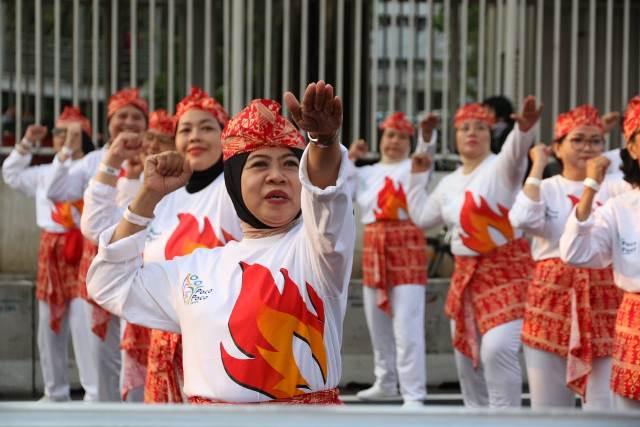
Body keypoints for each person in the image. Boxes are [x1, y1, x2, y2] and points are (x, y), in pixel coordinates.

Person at [87, 81, 353, 404]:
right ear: (234, 180)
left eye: (289, 164)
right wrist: (148, 195)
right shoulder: (194, 270)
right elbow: (108, 284)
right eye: (259, 164)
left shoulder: (316, 253)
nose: (277, 175)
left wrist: (323, 144)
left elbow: (326, 201)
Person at [408, 97, 542, 408]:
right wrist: (425, 146)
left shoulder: (500, 167)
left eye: (480, 127)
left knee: (496, 350)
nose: (472, 133)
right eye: (465, 127)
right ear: (454, 136)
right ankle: (476, 418)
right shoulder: (449, 183)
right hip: (465, 276)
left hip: (507, 271)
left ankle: (505, 420)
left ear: (490, 132)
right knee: (467, 358)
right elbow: (419, 217)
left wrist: (524, 130)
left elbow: (516, 153)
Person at [509, 105, 622, 409]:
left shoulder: (614, 186)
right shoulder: (545, 187)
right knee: (548, 406)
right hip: (550, 296)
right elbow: (522, 219)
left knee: (602, 404)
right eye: (578, 140)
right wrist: (537, 164)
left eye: (596, 141)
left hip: (603, 295)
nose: (587, 147)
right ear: (557, 147)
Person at [46, 88, 149, 401]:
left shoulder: (155, 158)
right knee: (101, 357)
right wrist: (67, 150)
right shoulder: (94, 160)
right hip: (99, 269)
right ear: (110, 123)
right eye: (122, 116)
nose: (129, 122)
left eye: (136, 117)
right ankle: (102, 413)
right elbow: (54, 189)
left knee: (139, 354)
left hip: (145, 270)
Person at [2, 107, 98, 402]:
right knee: (49, 322)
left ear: (85, 136)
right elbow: (11, 174)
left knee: (86, 322)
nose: (64, 138)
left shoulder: (93, 165)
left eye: (72, 132)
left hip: (83, 247)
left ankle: (94, 391)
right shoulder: (45, 172)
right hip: (51, 249)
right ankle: (54, 391)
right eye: (59, 132)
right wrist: (27, 143)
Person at [80, 109, 175, 401]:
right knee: (129, 392)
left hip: (179, 314)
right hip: (137, 307)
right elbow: (96, 227)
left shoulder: (187, 194)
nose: (153, 146)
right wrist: (113, 162)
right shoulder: (142, 189)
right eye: (149, 139)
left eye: (163, 139)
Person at [348, 112, 437, 406]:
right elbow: (340, 188)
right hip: (375, 245)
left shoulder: (414, 167)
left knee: (407, 324)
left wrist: (425, 138)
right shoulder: (365, 172)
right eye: (390, 136)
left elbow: (425, 155)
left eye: (401, 137)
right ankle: (386, 381)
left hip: (407, 244)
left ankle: (413, 393)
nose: (395, 142)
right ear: (381, 139)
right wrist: (351, 158)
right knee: (378, 321)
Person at [560, 95, 640, 410]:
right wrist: (590, 187)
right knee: (629, 413)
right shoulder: (621, 208)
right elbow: (576, 252)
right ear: (633, 149)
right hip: (634, 321)